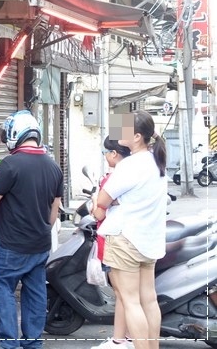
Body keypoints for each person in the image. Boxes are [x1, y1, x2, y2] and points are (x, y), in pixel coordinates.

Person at [0, 110, 63, 349]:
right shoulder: (53, 166)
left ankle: (9, 342)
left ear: (15, 134)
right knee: (35, 291)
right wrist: (42, 229)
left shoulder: (11, 163)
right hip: (40, 242)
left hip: (12, 243)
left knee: (1, 285)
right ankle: (32, 342)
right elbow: (55, 209)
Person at [93, 112, 168, 349]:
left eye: (124, 129)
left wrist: (107, 203)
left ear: (136, 137)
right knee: (149, 300)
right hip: (149, 240)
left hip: (125, 239)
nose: (119, 131)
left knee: (130, 301)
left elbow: (100, 205)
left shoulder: (128, 166)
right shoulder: (157, 162)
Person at [93, 139, 132, 349]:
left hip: (116, 240)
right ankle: (126, 337)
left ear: (115, 154)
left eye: (105, 152)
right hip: (135, 239)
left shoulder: (114, 178)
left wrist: (93, 200)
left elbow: (99, 211)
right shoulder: (144, 171)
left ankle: (121, 340)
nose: (105, 156)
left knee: (123, 294)